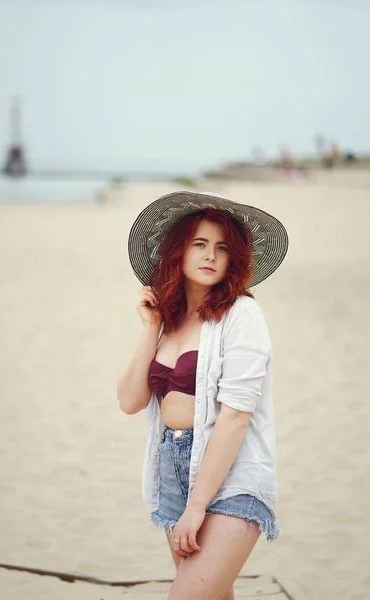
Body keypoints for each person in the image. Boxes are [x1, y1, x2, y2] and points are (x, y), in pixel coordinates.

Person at [117, 191, 288, 600]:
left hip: (231, 475)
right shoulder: (170, 319)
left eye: (222, 248)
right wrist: (150, 327)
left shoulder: (242, 314)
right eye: (200, 244)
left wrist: (197, 506)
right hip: (172, 470)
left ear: (234, 259)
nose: (211, 255)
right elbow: (130, 401)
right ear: (179, 251)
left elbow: (236, 416)